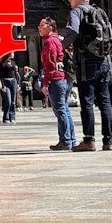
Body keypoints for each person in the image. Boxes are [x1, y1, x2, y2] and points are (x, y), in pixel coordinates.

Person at [66, 0, 112, 151]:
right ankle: (108, 141)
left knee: (87, 101)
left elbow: (72, 30)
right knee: (105, 101)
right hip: (104, 60)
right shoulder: (99, 11)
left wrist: (62, 45)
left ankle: (89, 140)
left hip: (86, 61)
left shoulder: (77, 11)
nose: (69, 0)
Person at [39, 17, 75, 150]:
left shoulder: (50, 42)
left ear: (50, 27)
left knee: (60, 110)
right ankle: (71, 139)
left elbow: (50, 64)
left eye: (42, 25)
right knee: (65, 109)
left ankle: (65, 141)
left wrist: (46, 83)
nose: (39, 28)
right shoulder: (58, 39)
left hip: (56, 79)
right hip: (65, 78)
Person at [0, 53, 19, 124]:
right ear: (9, 54)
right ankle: (6, 117)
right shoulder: (2, 63)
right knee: (8, 101)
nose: (14, 54)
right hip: (6, 82)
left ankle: (12, 117)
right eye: (12, 53)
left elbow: (15, 73)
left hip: (13, 81)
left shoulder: (13, 62)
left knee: (13, 101)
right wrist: (2, 85)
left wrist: (17, 83)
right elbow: (0, 75)